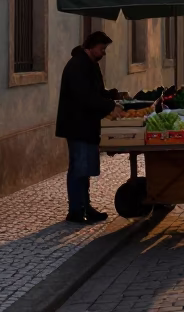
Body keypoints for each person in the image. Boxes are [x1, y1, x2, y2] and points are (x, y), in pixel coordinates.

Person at [55, 31, 120, 224]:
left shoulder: (91, 65)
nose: (104, 53)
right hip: (77, 125)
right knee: (78, 169)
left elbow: (96, 92)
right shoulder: (77, 66)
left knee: (85, 170)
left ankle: (85, 206)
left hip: (87, 124)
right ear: (91, 47)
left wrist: (112, 95)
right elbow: (85, 97)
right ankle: (75, 211)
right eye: (102, 49)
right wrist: (109, 106)